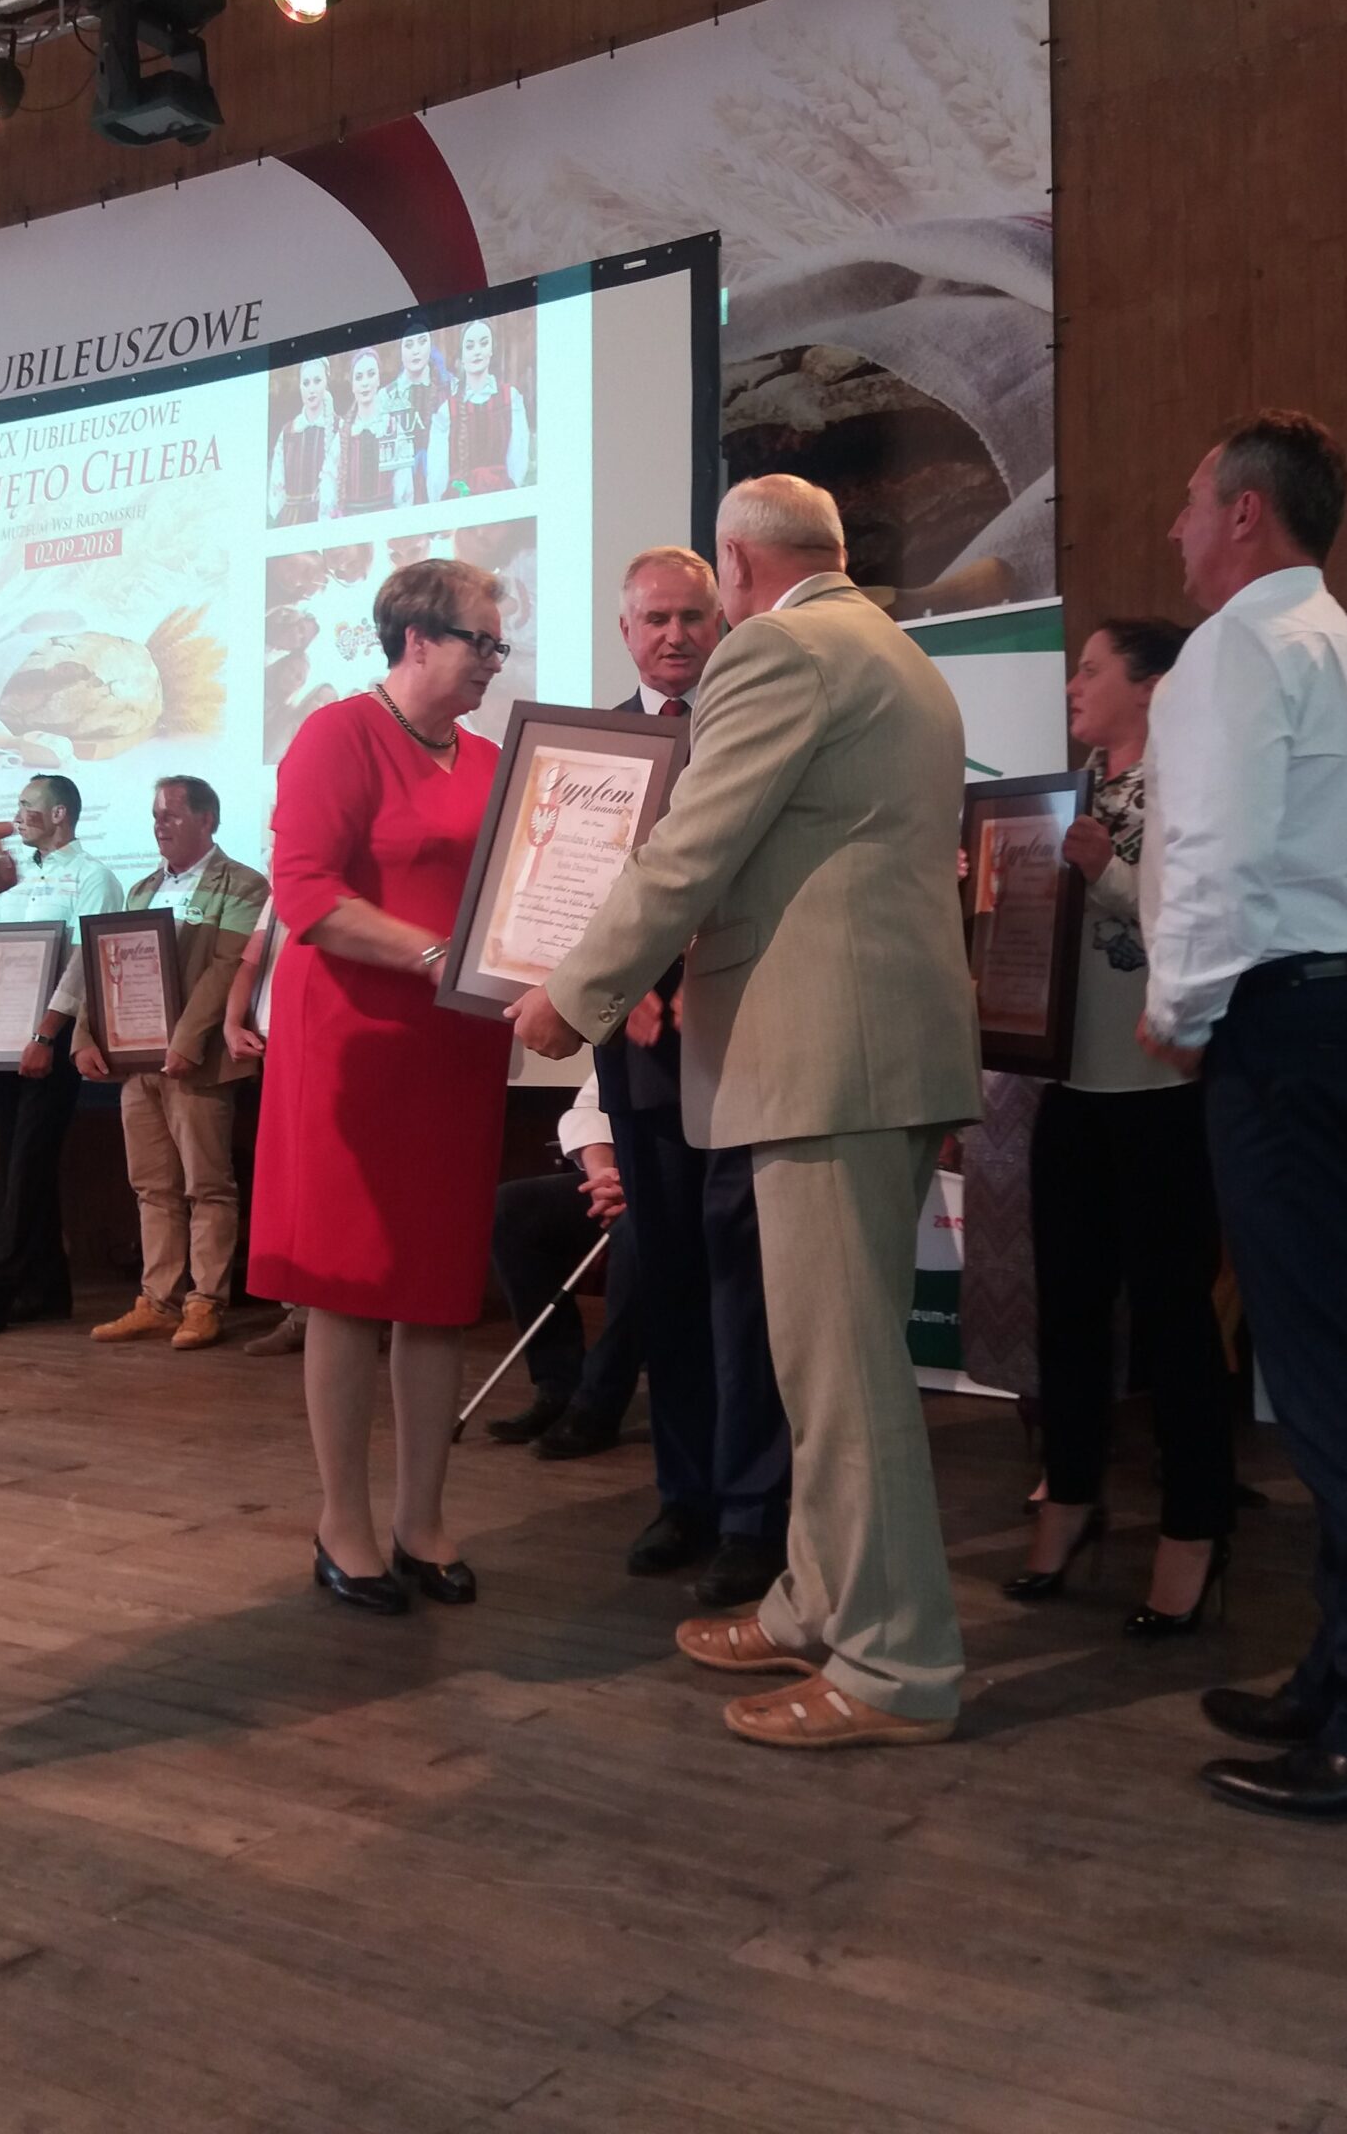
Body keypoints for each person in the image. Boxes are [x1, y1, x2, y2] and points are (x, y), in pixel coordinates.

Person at [512, 475, 981, 1752]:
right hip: (860, 1056)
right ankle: (818, 1601)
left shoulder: (779, 649)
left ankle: (892, 1663)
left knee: (845, 1379)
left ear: (735, 565)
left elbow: (693, 846)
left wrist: (577, 989)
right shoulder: (891, 652)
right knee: (825, 1365)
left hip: (829, 1057)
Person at [1138, 411, 1347, 1821]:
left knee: (1326, 1386)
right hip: (1339, 1014)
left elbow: (1216, 854)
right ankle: (1331, 1674)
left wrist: (1181, 1007)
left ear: (1246, 515)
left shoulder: (1232, 650)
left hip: (1278, 1028)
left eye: (1191, 499)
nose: (1174, 525)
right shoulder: (1340, 642)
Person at [246, 559, 513, 1614]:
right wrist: (436, 955)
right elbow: (306, 895)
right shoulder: (337, 734)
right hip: (351, 1048)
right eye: (482, 642)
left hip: (453, 1048)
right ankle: (343, 1524)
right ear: (416, 639)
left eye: (498, 644)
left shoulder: (494, 759)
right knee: (351, 1292)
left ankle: (422, 1520)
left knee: (438, 1291)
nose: (495, 661)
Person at [1003, 620, 1234, 1631]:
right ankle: (1071, 1498)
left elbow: (1207, 919)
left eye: (1092, 669)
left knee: (1176, 1320)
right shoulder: (1065, 794)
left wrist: (1104, 871)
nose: (1072, 684)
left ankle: (1195, 1528)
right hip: (1072, 1090)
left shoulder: (1189, 788)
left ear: (1150, 686)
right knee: (1067, 1315)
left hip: (1163, 1094)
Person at [596, 545, 789, 1606]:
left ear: (722, 625)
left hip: (746, 1034)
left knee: (744, 1285)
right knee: (666, 1274)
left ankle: (757, 1513)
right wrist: (616, 981)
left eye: (693, 617)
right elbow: (566, 898)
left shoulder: (753, 726)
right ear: (625, 632)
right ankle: (687, 1496)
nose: (675, 635)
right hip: (636, 1051)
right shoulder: (587, 752)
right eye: (656, 619)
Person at [74, 778, 268, 1350]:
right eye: (155, 816)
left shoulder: (243, 884)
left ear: (207, 819)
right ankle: (158, 1301)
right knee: (152, 1186)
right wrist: (86, 1035)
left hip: (198, 1063)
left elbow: (228, 968)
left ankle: (205, 1302)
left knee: (207, 1186)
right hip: (138, 1064)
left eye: (172, 816)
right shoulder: (142, 887)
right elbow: (106, 966)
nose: (159, 826)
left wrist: (185, 1041)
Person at [0, 774, 122, 1340]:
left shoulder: (94, 878)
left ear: (60, 813)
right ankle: (47, 1290)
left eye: (26, 806)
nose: (16, 815)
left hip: (52, 1042)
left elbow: (84, 963)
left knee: (27, 1167)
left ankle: (1, 1291)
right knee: (10, 1164)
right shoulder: (9, 890)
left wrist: (45, 1036)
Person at [486, 1069, 640, 1456]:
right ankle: (558, 1387)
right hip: (622, 1179)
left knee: (638, 1232)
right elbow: (590, 1106)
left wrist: (639, 1186)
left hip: (686, 1184)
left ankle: (598, 1403)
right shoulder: (625, 1034)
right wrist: (603, 1177)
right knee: (512, 1210)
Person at [221, 894, 306, 1357]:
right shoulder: (278, 895)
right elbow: (250, 964)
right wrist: (233, 1023)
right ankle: (301, 1313)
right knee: (289, 1183)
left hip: (326, 1040)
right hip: (277, 1047)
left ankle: (367, 1312)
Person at [426, 319, 530, 502]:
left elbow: (518, 459)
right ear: (462, 356)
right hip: (460, 501)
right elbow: (437, 474)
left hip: (501, 498)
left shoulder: (509, 398)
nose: (477, 351)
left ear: (491, 350)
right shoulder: (447, 411)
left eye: (483, 344)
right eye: (470, 346)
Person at [380, 329, 451, 510]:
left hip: (443, 489)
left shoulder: (450, 389)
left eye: (422, 342)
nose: (416, 351)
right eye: (409, 345)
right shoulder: (385, 397)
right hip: (398, 494)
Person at [323, 346, 393, 518]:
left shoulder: (392, 427)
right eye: (359, 377)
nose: (365, 383)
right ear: (353, 385)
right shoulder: (344, 433)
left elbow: (404, 487)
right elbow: (329, 480)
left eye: (371, 374)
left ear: (379, 379)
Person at [268, 356, 337, 527]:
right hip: (293, 522)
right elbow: (277, 484)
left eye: (317, 381)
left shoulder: (339, 427)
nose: (311, 389)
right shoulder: (288, 432)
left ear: (326, 383)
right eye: (306, 383)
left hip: (329, 520)